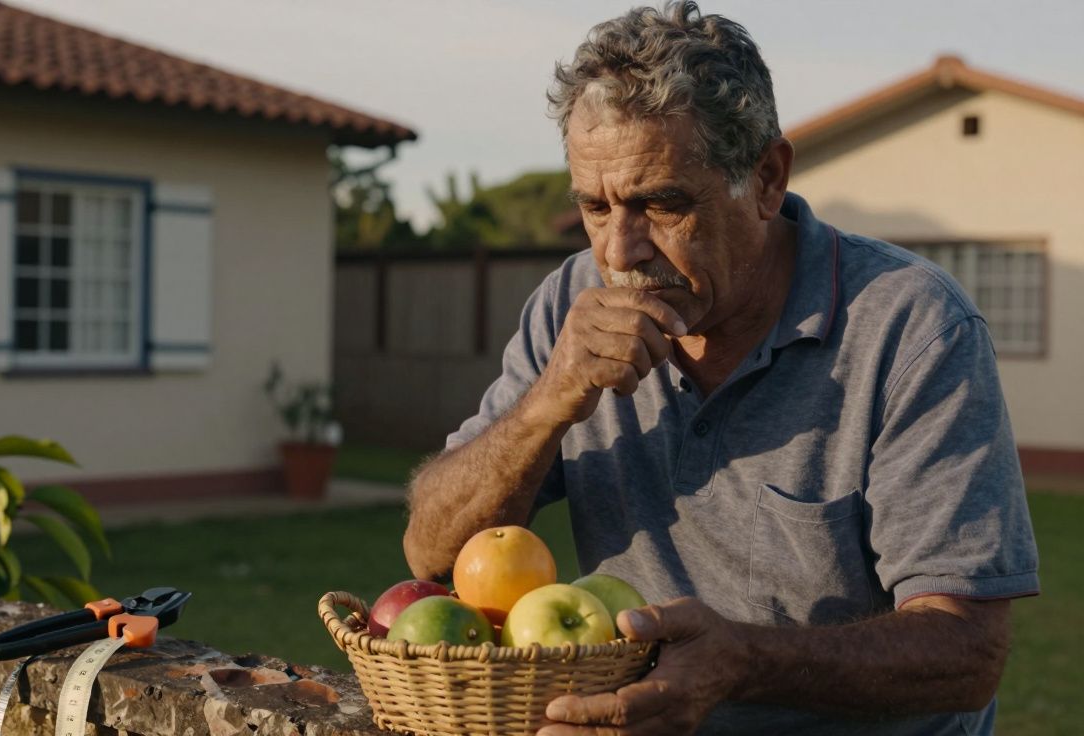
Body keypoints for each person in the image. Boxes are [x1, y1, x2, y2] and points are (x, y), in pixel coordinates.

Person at [401, 2, 1040, 734]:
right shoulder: (570, 305)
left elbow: (966, 650)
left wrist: (743, 662)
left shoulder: (911, 325)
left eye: (661, 205)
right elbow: (432, 552)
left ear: (767, 178)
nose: (619, 251)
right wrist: (549, 403)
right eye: (595, 207)